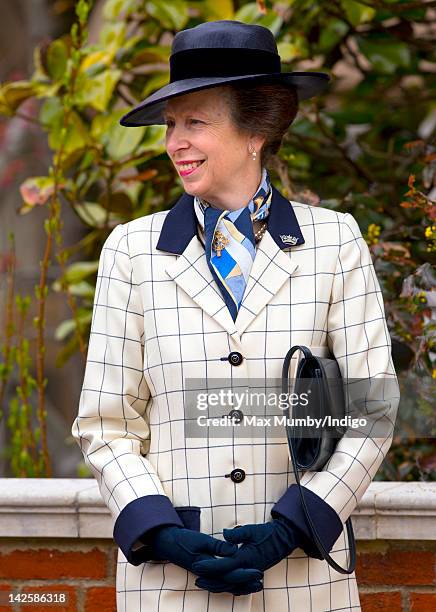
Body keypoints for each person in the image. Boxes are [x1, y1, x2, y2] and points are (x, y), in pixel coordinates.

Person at [71, 20, 399, 612]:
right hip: (170, 586)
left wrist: (294, 528)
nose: (175, 142)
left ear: (258, 131)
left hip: (305, 581)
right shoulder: (130, 250)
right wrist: (159, 531)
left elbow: (372, 408)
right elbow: (106, 424)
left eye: (195, 122)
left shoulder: (335, 242)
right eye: (171, 125)